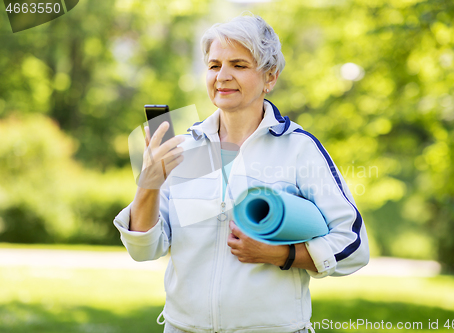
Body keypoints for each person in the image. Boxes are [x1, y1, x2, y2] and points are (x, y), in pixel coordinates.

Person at [113, 13, 369, 333]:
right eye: (214, 65)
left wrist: (281, 255)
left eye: (239, 64)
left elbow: (354, 246)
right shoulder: (184, 149)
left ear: (270, 77)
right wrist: (148, 184)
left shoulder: (299, 149)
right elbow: (144, 249)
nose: (222, 76)